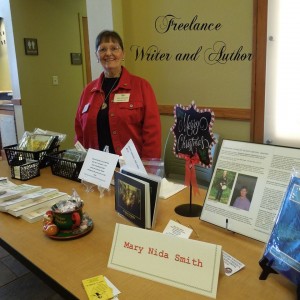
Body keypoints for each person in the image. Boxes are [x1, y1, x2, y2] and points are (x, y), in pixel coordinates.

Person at [75, 30, 161, 159]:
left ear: (123, 53)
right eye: (103, 49)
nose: (108, 53)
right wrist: (81, 161)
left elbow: (152, 134)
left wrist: (147, 170)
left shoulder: (142, 86)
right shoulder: (88, 90)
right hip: (96, 168)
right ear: (97, 55)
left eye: (114, 48)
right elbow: (79, 132)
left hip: (130, 169)